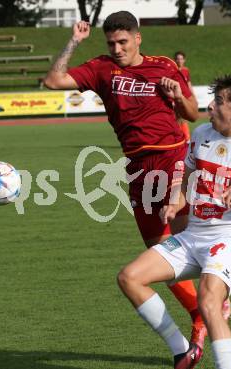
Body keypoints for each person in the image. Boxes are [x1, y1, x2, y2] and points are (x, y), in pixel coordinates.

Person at [43, 11, 209, 356]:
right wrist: (74, 40)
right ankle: (199, 314)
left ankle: (210, 305)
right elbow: (54, 81)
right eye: (111, 43)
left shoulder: (163, 66)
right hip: (138, 169)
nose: (117, 49)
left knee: (183, 243)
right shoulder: (101, 68)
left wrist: (177, 93)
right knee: (159, 252)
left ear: (137, 38)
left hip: (173, 159)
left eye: (123, 41)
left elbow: (193, 113)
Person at [117, 75, 231, 369]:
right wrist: (175, 202)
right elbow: (186, 173)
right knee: (130, 278)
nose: (210, 106)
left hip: (227, 239)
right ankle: (181, 350)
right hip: (191, 237)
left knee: (209, 302)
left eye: (218, 102)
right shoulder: (201, 134)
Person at [174, 51, 193, 143]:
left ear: (184, 60)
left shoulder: (186, 70)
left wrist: (192, 95)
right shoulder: (172, 70)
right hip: (175, 97)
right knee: (177, 118)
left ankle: (185, 138)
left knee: (182, 117)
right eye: (177, 59)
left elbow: (188, 83)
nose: (179, 60)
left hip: (184, 97)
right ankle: (184, 138)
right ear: (175, 60)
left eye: (181, 59)